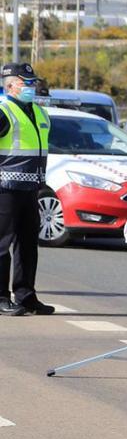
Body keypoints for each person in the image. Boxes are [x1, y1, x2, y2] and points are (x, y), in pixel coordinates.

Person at [0, 62, 55, 316]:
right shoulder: (4, 110)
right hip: (5, 188)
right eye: (26, 83)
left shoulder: (39, 112)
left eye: (33, 83)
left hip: (30, 187)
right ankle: (1, 297)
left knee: (27, 244)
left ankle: (26, 296)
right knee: (2, 244)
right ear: (10, 85)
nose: (31, 87)